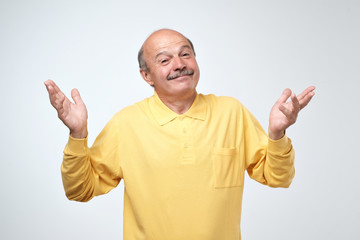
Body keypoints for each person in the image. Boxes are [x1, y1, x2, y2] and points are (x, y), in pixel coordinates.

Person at [44, 29, 315, 240]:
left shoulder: (232, 112)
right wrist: (77, 134)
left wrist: (277, 134)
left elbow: (278, 178)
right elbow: (80, 190)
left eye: (185, 54)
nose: (179, 64)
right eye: (165, 60)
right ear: (146, 76)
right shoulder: (126, 123)